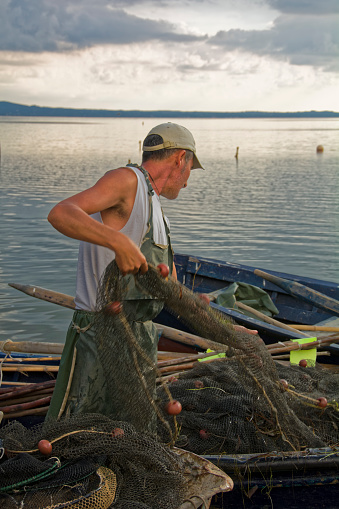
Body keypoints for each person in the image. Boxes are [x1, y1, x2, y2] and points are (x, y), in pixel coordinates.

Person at [46, 122, 204, 426]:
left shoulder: (156, 211)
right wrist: (116, 241)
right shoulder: (126, 180)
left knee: (130, 437)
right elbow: (61, 212)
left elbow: (173, 291)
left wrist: (227, 329)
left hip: (139, 342)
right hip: (101, 336)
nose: (186, 182)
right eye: (190, 170)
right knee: (83, 435)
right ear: (179, 159)